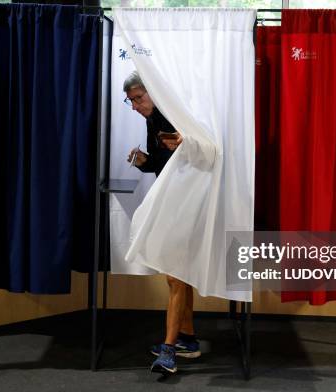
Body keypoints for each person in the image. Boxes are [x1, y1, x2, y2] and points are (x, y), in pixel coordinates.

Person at [123, 71, 201, 375]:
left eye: (139, 98)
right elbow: (159, 163)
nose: (136, 105)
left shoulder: (178, 115)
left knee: (175, 276)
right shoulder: (152, 120)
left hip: (186, 202)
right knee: (179, 274)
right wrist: (144, 161)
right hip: (170, 200)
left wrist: (187, 144)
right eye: (131, 101)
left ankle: (169, 349)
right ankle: (188, 339)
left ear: (154, 92)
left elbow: (208, 151)